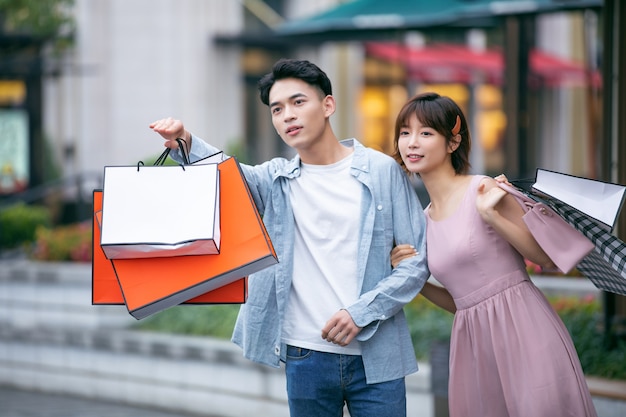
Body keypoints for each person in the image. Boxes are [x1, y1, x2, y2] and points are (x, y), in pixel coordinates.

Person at [150, 59, 430, 417]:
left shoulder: (381, 170)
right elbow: (227, 175)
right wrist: (185, 142)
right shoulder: (276, 178)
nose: (287, 116)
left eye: (298, 102)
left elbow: (416, 263)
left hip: (378, 354)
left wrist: (361, 313)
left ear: (327, 105)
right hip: (305, 356)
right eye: (277, 109)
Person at [390, 92, 597, 417]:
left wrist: (492, 216)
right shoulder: (423, 220)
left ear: (453, 142)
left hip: (525, 327)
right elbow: (462, 302)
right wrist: (414, 280)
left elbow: (543, 258)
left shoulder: (484, 190)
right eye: (405, 133)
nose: (412, 142)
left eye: (426, 133)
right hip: (472, 344)